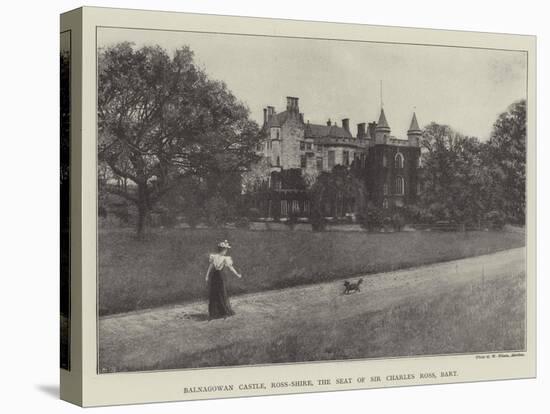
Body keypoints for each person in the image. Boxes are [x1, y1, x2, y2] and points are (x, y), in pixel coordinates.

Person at [205, 240, 242, 319]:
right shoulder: (220, 258)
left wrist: (207, 276)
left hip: (216, 276)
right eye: (226, 250)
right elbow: (230, 268)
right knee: (218, 293)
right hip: (219, 276)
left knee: (218, 292)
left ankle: (218, 312)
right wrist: (237, 274)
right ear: (223, 250)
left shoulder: (217, 257)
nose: (226, 251)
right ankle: (218, 312)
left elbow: (211, 267)